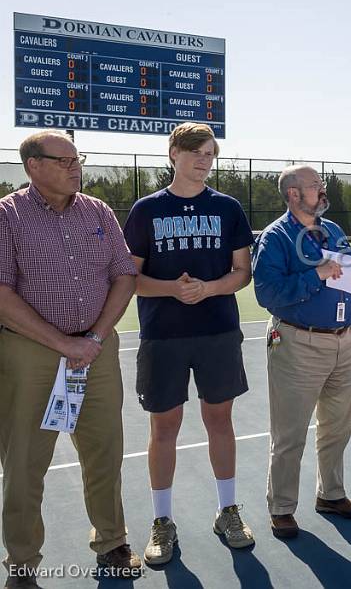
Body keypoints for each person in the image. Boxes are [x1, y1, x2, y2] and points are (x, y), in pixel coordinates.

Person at [0, 131, 141, 586]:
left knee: (105, 450)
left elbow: (123, 275)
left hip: (96, 350)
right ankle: (22, 563)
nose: (75, 166)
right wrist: (64, 344)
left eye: (77, 158)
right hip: (30, 352)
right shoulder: (7, 215)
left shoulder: (97, 211)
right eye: (63, 160)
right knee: (24, 461)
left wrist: (95, 337)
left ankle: (111, 539)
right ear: (33, 166)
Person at [122, 123, 256, 565]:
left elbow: (241, 272)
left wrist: (211, 288)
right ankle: (162, 521)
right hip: (163, 337)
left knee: (221, 422)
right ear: (173, 153)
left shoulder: (228, 208)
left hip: (217, 331)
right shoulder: (146, 210)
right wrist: (173, 290)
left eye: (210, 153)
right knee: (164, 429)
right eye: (196, 151)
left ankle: (227, 511)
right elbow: (131, 280)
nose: (204, 159)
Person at [252, 165, 351, 540]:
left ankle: (331, 494)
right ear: (293, 195)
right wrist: (317, 274)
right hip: (299, 344)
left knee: (338, 427)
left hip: (346, 341)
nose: (322, 189)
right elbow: (268, 294)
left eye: (321, 184)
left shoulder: (332, 229)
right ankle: (282, 507)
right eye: (315, 185)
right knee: (290, 434)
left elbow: (349, 273)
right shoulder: (275, 238)